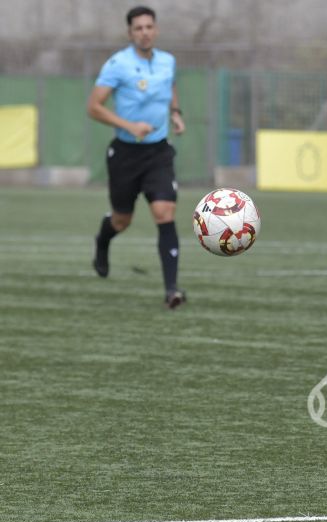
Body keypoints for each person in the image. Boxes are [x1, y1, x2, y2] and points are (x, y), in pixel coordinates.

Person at [87, 5, 186, 308]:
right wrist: (130, 125)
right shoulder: (118, 64)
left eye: (149, 27)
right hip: (126, 154)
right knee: (122, 220)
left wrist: (175, 113)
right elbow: (94, 107)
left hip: (158, 152)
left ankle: (172, 291)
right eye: (138, 28)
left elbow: (170, 87)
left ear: (156, 29)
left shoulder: (167, 61)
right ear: (130, 33)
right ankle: (102, 242)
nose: (145, 32)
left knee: (164, 213)